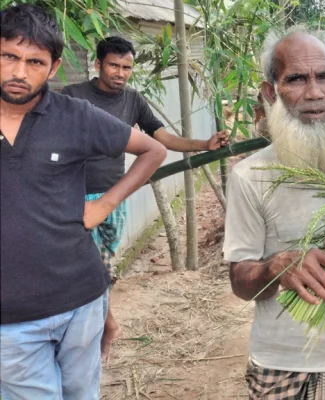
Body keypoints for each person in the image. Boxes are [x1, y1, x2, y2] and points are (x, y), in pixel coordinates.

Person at [0, 4, 166, 399]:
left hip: (82, 305)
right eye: (9, 56)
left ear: (54, 67)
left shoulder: (75, 116)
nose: (20, 72)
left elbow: (153, 151)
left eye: (35, 61)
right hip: (11, 321)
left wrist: (105, 205)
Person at [223, 26, 325, 399]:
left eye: (324, 77)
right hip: (284, 364)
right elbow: (240, 281)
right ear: (270, 91)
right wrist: (276, 267)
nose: (314, 92)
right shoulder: (250, 178)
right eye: (296, 79)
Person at [61, 35, 230, 361]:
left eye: (126, 67)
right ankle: (100, 330)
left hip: (113, 197)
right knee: (87, 268)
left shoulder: (134, 101)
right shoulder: (72, 96)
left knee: (100, 269)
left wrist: (203, 144)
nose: (120, 73)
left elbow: (162, 137)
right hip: (73, 197)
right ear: (98, 64)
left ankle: (98, 328)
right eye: (114, 65)